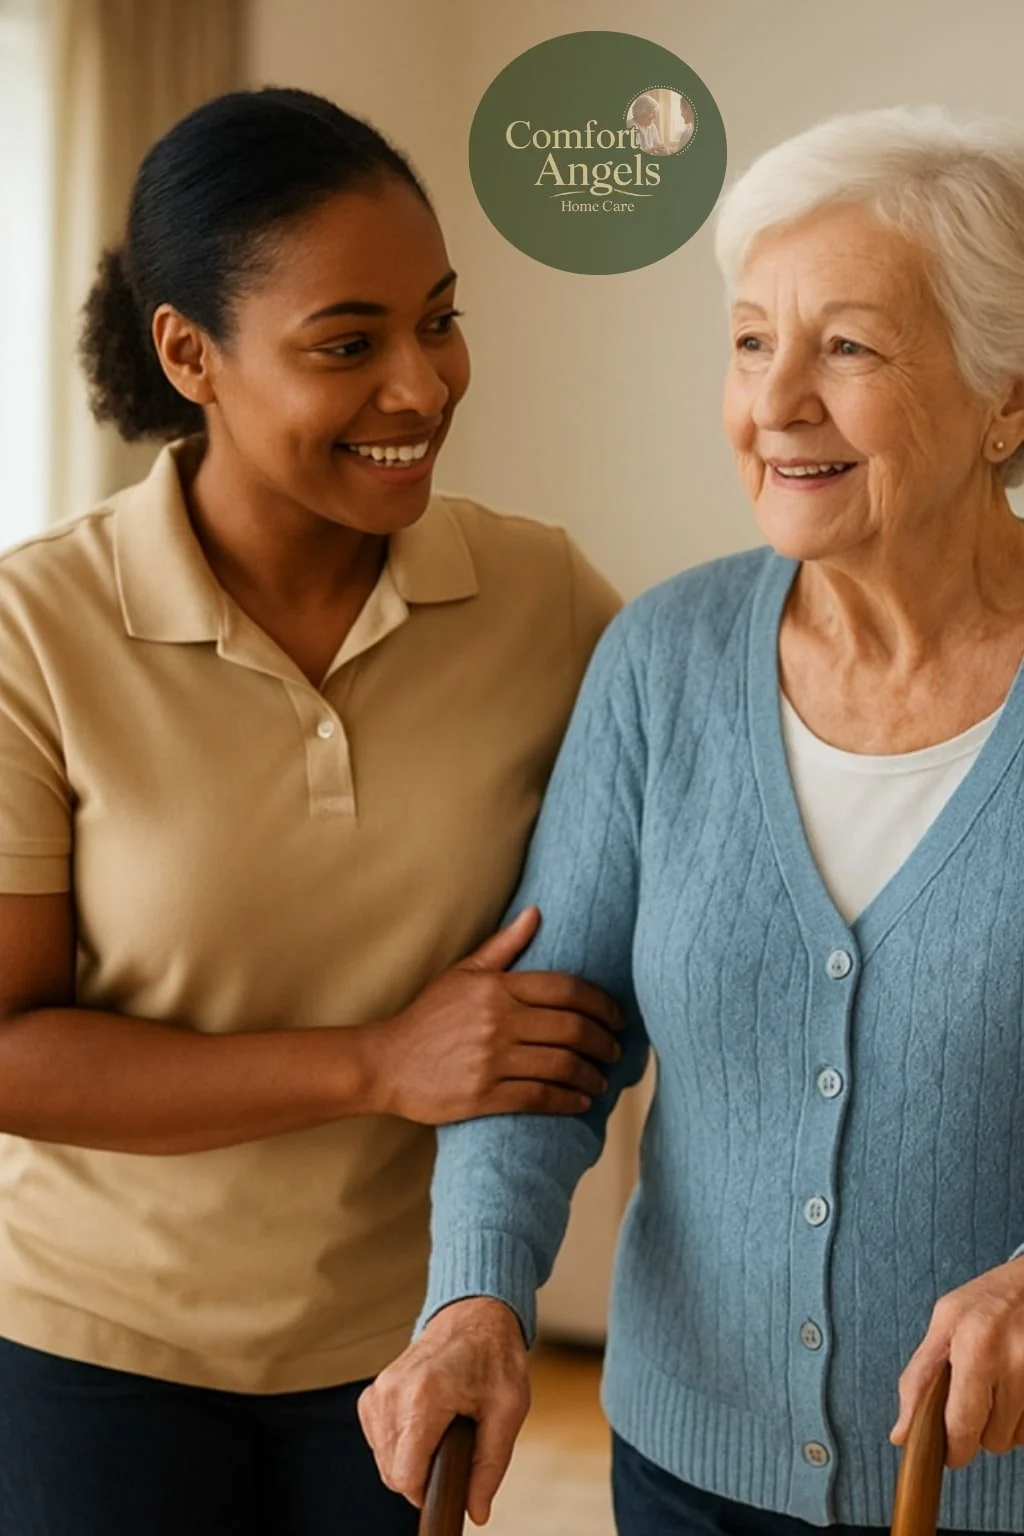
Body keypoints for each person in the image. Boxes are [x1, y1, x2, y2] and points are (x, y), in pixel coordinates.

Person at [361, 105, 1024, 1535]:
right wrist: (475, 1294)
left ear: (1008, 398)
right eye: (748, 341)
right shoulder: (664, 662)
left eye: (847, 347)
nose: (775, 400)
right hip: (689, 1473)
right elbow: (549, 1033)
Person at [0, 87, 624, 1535]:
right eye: (349, 345)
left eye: (441, 319)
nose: (422, 386)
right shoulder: (37, 631)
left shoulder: (545, 599)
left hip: (408, 1354)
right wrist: (373, 1063)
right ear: (189, 355)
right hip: (94, 1355)